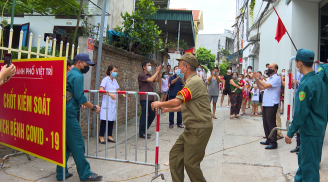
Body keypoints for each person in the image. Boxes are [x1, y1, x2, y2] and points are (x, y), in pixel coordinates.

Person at [151, 53, 213, 182]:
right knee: (175, 156)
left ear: (186, 67)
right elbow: (185, 105)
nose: (177, 68)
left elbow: (177, 101)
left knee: (191, 163)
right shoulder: (190, 81)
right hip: (191, 128)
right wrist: (167, 109)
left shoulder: (194, 82)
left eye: (179, 65)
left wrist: (160, 103)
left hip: (199, 128)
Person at [56, 53, 102, 181]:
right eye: (87, 64)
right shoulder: (77, 75)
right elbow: (80, 97)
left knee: (66, 145)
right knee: (78, 144)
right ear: (79, 62)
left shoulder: (69, 73)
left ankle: (61, 173)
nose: (88, 66)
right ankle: (85, 173)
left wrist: (78, 103)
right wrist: (93, 107)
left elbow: (71, 94)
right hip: (69, 114)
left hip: (64, 112)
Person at [285, 49, 327, 182]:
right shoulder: (319, 81)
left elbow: (300, 113)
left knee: (309, 168)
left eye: (297, 62)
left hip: (310, 131)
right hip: (317, 129)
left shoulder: (306, 84)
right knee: (305, 164)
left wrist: (290, 132)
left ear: (299, 63)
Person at [253, 63, 281, 150]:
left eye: (271, 67)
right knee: (265, 123)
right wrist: (257, 80)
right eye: (268, 67)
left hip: (272, 104)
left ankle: (273, 142)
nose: (268, 69)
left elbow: (265, 86)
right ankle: (268, 139)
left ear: (275, 69)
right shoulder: (269, 78)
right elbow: (261, 88)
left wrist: (258, 78)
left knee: (271, 123)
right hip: (266, 103)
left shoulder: (276, 78)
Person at [99, 65, 127, 144]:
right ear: (110, 71)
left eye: (116, 71)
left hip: (113, 103)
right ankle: (101, 137)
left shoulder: (114, 80)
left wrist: (123, 94)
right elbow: (101, 89)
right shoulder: (105, 79)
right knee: (104, 121)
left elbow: (117, 89)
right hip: (106, 102)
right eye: (114, 71)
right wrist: (110, 94)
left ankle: (109, 136)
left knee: (111, 121)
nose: (115, 72)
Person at [138, 61, 162, 139]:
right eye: (148, 65)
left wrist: (159, 72)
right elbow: (151, 80)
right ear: (144, 67)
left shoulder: (150, 75)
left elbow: (157, 80)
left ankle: (145, 130)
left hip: (151, 98)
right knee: (144, 115)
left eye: (150, 65)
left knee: (152, 115)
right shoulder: (142, 75)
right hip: (144, 98)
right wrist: (157, 71)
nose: (150, 67)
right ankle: (141, 133)